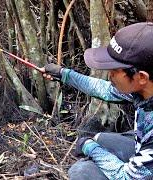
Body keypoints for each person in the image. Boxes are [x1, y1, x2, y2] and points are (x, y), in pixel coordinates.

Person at [40, 22, 153, 179]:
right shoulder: (144, 91)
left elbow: (127, 177)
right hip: (145, 150)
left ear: (141, 77)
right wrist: (64, 74)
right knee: (102, 139)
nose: (109, 75)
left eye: (114, 71)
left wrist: (90, 148)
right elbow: (105, 90)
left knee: (82, 172)